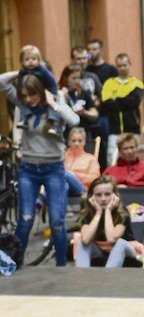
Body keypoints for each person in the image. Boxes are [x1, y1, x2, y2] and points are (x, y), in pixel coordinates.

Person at [0, 69, 79, 267]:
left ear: (41, 91)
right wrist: (24, 71)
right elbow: (1, 82)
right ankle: (14, 263)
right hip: (28, 170)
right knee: (25, 219)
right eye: (24, 96)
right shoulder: (24, 107)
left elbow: (75, 121)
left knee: (57, 222)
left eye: (32, 94)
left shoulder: (55, 105)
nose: (28, 100)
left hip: (54, 170)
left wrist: (55, 103)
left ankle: (61, 267)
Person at [76, 176, 137, 268]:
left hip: (125, 250)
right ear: (91, 197)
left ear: (115, 195)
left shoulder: (122, 213)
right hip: (100, 251)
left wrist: (108, 211)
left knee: (119, 243)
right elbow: (85, 239)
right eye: (98, 195)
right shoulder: (87, 213)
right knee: (83, 244)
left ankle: (107, 278)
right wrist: (98, 212)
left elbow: (111, 239)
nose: (103, 199)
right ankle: (82, 278)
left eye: (107, 194)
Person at [101, 53, 144, 166]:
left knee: (135, 159)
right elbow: (106, 104)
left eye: (125, 65)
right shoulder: (109, 83)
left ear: (130, 65)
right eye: (119, 66)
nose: (122, 68)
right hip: (114, 129)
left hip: (132, 129)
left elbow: (134, 102)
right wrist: (125, 99)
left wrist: (117, 99)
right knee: (112, 160)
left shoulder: (137, 83)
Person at [15, 45, 62, 136]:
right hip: (31, 93)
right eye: (27, 59)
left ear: (39, 60)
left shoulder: (42, 71)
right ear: (22, 62)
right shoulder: (22, 72)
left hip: (47, 92)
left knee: (53, 106)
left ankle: (54, 124)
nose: (31, 61)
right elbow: (20, 84)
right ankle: (25, 119)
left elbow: (52, 81)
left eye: (34, 58)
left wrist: (53, 93)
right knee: (21, 101)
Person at [58, 64, 99, 140]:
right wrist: (63, 99)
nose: (77, 81)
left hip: (83, 132)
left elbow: (95, 114)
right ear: (65, 78)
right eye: (73, 78)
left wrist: (84, 113)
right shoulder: (60, 93)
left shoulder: (84, 93)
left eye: (79, 78)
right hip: (66, 134)